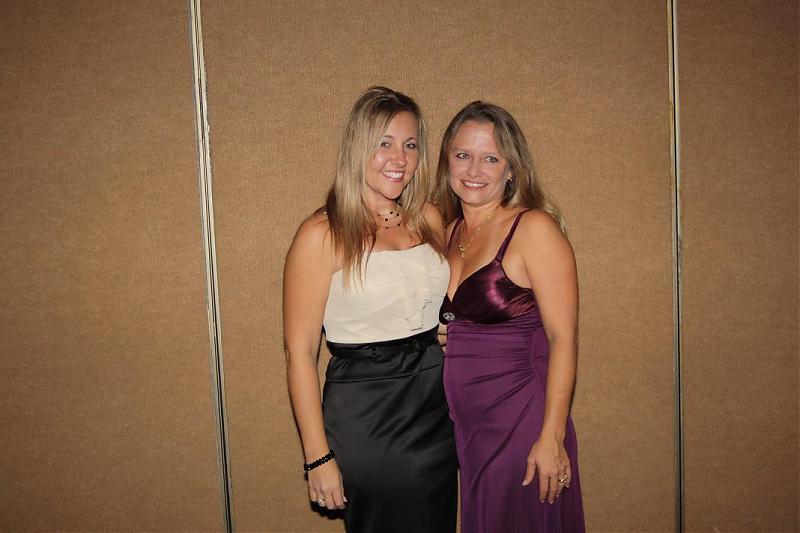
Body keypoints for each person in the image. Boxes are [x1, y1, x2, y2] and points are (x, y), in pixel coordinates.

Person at [283, 86, 457, 533]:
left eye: (410, 145)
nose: (399, 158)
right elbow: (300, 354)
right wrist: (317, 456)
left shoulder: (428, 218)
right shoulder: (321, 234)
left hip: (434, 408)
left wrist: (451, 327)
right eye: (384, 143)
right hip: (367, 413)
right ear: (357, 147)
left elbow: (440, 297)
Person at [436, 101, 585, 532]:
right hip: (469, 427)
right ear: (447, 162)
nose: (474, 170)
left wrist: (551, 436)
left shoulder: (534, 229)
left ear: (511, 168)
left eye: (490, 158)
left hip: (522, 419)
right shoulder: (447, 234)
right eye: (463, 155)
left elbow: (562, 339)